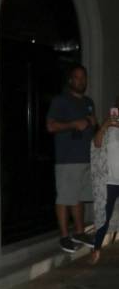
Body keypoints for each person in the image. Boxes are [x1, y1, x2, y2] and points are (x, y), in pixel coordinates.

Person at [47, 64, 97, 253]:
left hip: (85, 158)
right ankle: (63, 236)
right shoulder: (60, 101)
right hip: (67, 159)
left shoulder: (88, 102)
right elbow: (51, 126)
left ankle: (79, 231)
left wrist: (93, 123)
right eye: (77, 77)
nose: (81, 81)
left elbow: (91, 129)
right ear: (70, 80)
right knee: (65, 197)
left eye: (83, 78)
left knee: (79, 197)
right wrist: (74, 124)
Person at [89, 101, 119, 264]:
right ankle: (96, 248)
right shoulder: (109, 129)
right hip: (111, 182)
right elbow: (97, 144)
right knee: (104, 217)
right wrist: (105, 125)